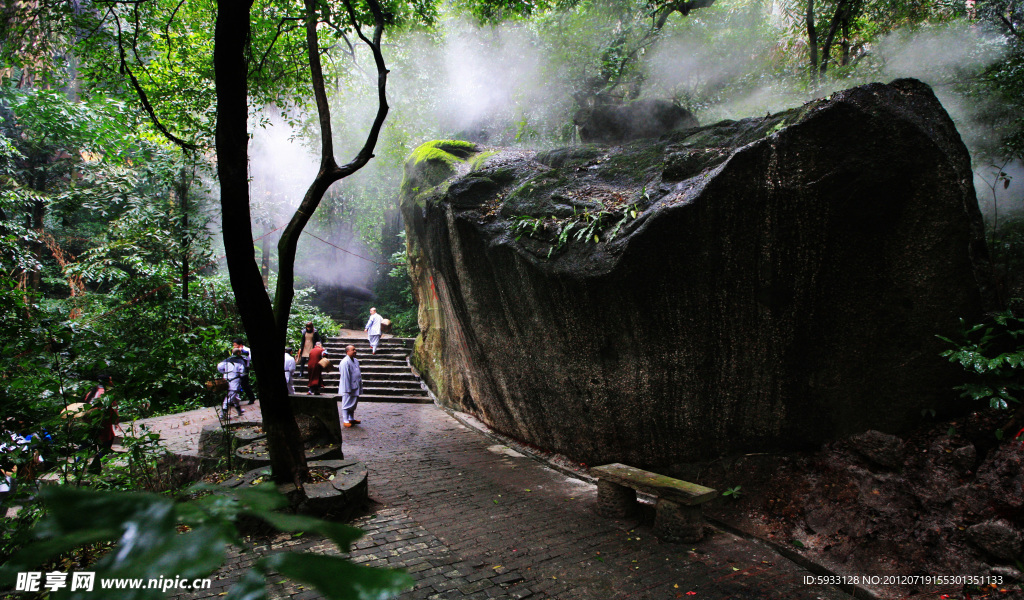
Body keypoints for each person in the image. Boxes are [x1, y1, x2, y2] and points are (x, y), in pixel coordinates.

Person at [85, 376, 122, 474]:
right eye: (110, 380)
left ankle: (77, 465)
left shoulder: (91, 393)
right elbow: (114, 408)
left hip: (92, 422)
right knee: (105, 443)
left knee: (87, 444)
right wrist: (116, 420)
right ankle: (103, 465)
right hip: (104, 422)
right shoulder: (107, 394)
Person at [217, 348, 247, 420]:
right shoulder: (240, 361)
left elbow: (219, 367)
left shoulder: (227, 360)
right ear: (238, 353)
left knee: (234, 396)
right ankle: (223, 415)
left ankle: (239, 411)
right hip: (235, 381)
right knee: (230, 397)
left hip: (226, 380)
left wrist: (224, 373)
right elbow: (242, 373)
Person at [338, 345, 362, 427]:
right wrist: (347, 388)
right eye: (353, 350)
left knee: (353, 403)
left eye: (355, 349)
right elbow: (345, 376)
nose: (355, 351)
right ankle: (345, 419)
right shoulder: (345, 362)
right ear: (347, 351)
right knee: (346, 403)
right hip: (348, 386)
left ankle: (351, 418)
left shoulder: (355, 360)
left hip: (355, 385)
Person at [231, 338, 257, 405]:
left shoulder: (247, 350)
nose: (234, 347)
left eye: (235, 345)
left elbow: (249, 358)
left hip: (244, 369)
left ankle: (251, 398)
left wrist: (241, 352)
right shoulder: (234, 351)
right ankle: (234, 400)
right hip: (236, 369)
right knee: (235, 384)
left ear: (240, 345)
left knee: (244, 384)